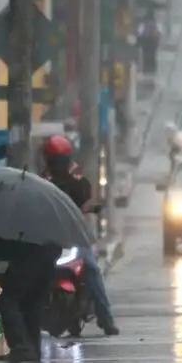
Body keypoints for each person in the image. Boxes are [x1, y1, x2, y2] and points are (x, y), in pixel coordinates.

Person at [41, 135, 119, 335]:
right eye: (53, 159)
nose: (56, 163)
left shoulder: (77, 179)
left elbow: (87, 200)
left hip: (76, 236)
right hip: (50, 236)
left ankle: (105, 318)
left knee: (92, 270)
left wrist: (92, 206)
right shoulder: (41, 182)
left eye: (59, 159)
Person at [0, 228, 59, 360]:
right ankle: (33, 347)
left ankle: (22, 347)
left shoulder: (12, 217)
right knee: (31, 304)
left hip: (28, 259)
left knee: (7, 300)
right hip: (46, 260)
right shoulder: (45, 220)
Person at [137, 10, 161, 78]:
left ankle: (147, 70)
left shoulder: (143, 24)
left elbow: (140, 34)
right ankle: (152, 70)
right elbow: (158, 34)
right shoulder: (155, 24)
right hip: (153, 43)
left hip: (146, 42)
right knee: (152, 57)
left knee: (146, 57)